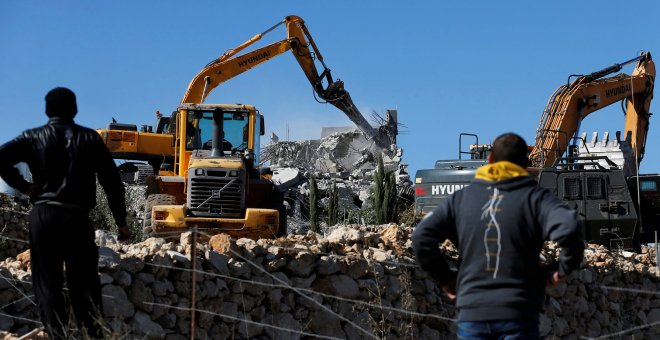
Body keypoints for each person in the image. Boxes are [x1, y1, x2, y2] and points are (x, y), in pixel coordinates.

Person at [412, 132, 584, 339]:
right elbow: (570, 226)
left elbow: (421, 237)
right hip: (518, 312)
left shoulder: (460, 199)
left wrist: (447, 278)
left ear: (490, 160)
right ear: (525, 163)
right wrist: (560, 269)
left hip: (473, 313)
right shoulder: (536, 198)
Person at [0, 87, 131, 338]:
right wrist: (121, 222)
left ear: (47, 111)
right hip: (76, 218)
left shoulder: (33, 137)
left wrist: (25, 187)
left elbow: (1, 157)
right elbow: (111, 182)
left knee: (47, 283)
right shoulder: (90, 138)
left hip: (44, 216)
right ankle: (89, 334)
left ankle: (56, 334)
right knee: (84, 284)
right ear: (75, 110)